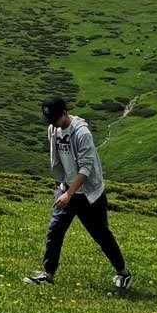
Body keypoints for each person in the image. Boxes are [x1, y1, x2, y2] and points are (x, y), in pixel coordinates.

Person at [26, 97, 133, 290]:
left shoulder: (82, 133)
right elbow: (58, 159)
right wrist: (62, 187)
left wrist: (69, 194)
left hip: (89, 194)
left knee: (101, 235)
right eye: (50, 121)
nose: (54, 124)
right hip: (67, 189)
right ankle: (48, 274)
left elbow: (86, 168)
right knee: (55, 229)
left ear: (65, 113)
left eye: (56, 119)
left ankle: (123, 273)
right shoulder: (53, 129)